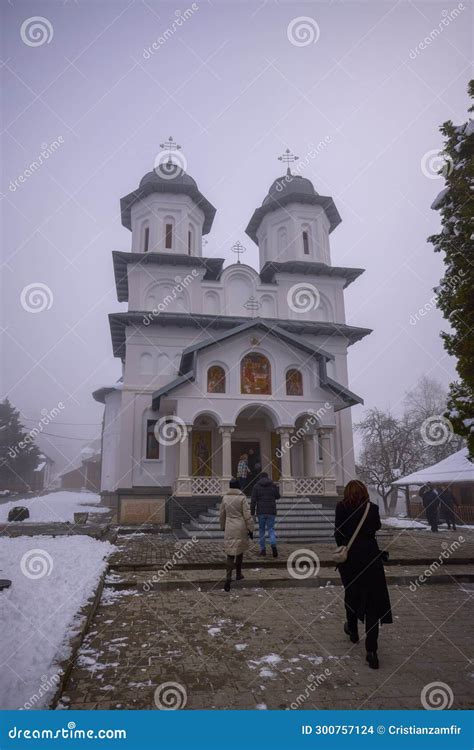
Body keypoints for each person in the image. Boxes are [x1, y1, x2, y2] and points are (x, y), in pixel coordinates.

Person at [334, 480, 392, 670]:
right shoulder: (372, 508)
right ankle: (372, 651)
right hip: (371, 559)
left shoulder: (341, 507)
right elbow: (376, 527)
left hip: (350, 560)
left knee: (352, 593)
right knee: (373, 604)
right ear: (365, 491)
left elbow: (338, 532)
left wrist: (344, 544)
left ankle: (352, 629)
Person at [219, 478, 254, 592]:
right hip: (240, 527)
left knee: (230, 554)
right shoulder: (242, 498)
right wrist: (251, 528)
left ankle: (228, 579)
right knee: (239, 551)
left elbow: (222, 514)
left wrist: (223, 526)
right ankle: (238, 574)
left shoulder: (225, 498)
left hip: (229, 527)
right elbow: (247, 514)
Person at [251, 471, 280, 557]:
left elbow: (253, 501)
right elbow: (278, 496)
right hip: (271, 511)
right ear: (268, 477)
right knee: (271, 529)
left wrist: (252, 513)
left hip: (261, 511)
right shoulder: (273, 485)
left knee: (261, 530)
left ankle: (263, 550)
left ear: (260, 478)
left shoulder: (256, 486)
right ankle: (273, 545)